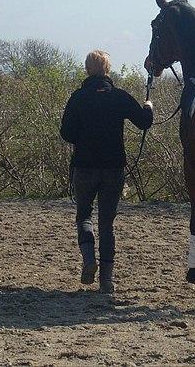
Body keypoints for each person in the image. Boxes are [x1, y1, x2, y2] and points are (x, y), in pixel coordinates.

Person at [60, 50, 153, 293]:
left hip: (84, 166)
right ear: (107, 69)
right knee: (107, 223)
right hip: (113, 168)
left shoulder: (78, 97)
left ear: (87, 70)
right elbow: (144, 122)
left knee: (84, 216)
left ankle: (89, 258)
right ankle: (107, 280)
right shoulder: (119, 97)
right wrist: (148, 106)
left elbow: (66, 133)